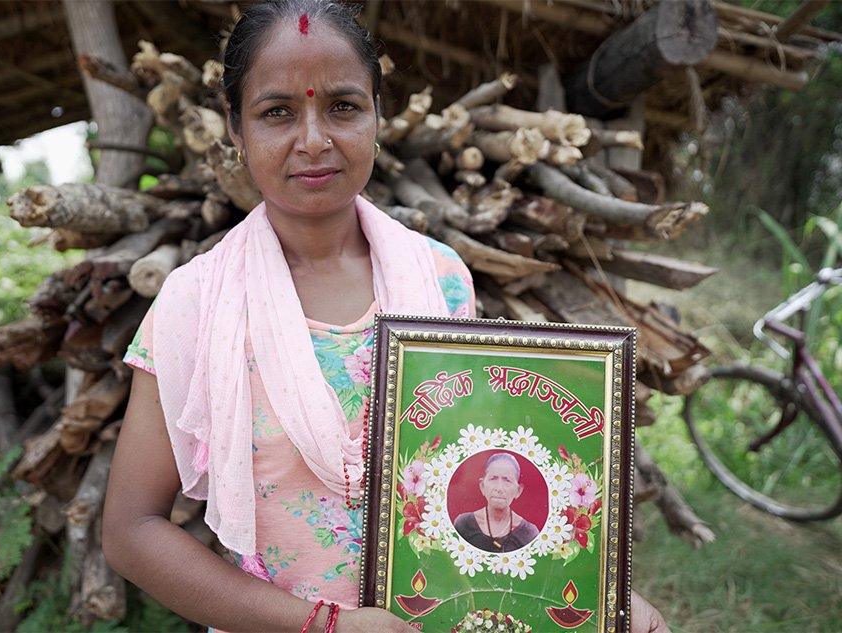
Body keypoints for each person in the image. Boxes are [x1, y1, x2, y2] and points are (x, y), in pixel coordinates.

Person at [101, 1, 670, 632]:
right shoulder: (195, 304)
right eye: (277, 112)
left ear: (378, 113)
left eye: (342, 107)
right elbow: (131, 531)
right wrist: (325, 626)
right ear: (236, 128)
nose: (314, 139)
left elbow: (476, 463)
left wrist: (600, 599)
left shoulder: (440, 279)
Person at [454, 453, 539, 553]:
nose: (499, 488)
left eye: (507, 480)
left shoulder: (529, 533)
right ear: (482, 486)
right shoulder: (463, 525)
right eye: (493, 478)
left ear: (518, 491)